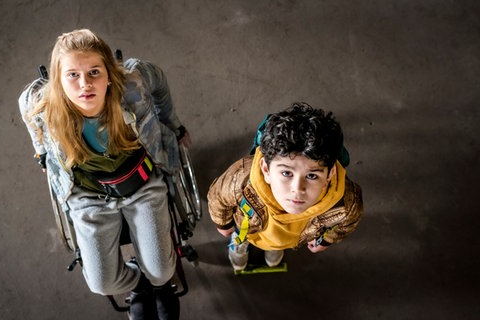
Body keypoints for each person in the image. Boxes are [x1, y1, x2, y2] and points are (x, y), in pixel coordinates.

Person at [18, 29, 191, 319]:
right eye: (72, 75)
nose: (85, 84)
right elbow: (27, 111)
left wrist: (172, 123)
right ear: (59, 82)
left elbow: (159, 81)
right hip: (89, 195)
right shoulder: (42, 105)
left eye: (94, 72)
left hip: (141, 184)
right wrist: (43, 153)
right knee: (101, 283)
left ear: (110, 74)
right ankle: (139, 284)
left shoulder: (133, 83)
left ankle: (160, 285)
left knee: (161, 270)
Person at [207, 103, 363, 271]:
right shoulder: (241, 179)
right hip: (247, 226)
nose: (297, 189)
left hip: (291, 236)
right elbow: (218, 197)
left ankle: (276, 245)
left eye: (312, 176)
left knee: (278, 240)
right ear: (266, 169)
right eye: (287, 173)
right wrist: (223, 224)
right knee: (241, 231)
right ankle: (240, 240)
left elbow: (348, 223)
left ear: (330, 174)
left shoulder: (346, 202)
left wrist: (326, 240)